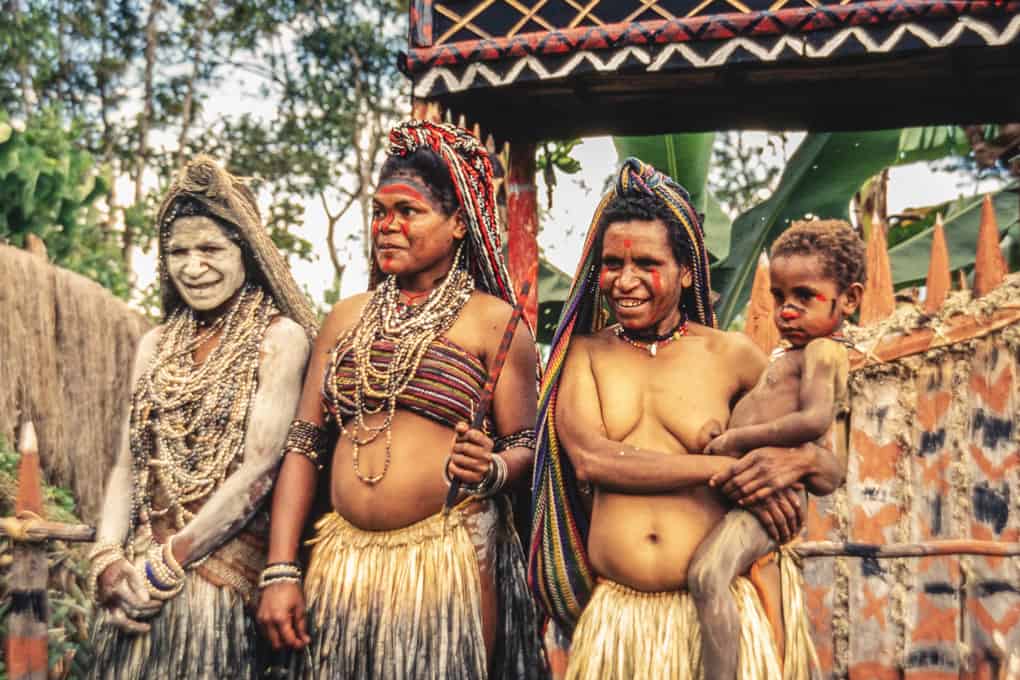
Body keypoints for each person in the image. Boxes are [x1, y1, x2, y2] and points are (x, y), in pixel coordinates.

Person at [529, 159, 843, 680]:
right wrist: (721, 469)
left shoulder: (733, 355)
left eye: (646, 264)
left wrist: (787, 467)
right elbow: (592, 460)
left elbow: (820, 465)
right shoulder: (582, 354)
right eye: (611, 264)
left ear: (686, 270)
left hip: (716, 619)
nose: (625, 281)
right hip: (618, 624)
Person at [257, 120, 547, 680]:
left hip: (442, 561)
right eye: (379, 211)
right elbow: (304, 443)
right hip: (343, 565)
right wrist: (281, 568)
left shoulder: (494, 324)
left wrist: (491, 468)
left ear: (459, 224)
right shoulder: (346, 317)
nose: (387, 226)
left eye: (408, 211)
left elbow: (527, 446)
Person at [87, 156, 317, 679]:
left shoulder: (279, 339)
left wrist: (167, 561)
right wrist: (106, 558)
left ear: (247, 252)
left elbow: (260, 471)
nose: (193, 267)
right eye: (178, 252)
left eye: (210, 249)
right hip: (140, 576)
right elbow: (128, 466)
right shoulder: (155, 345)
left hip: (220, 585)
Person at [691, 219, 865, 680]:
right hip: (744, 494)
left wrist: (736, 439)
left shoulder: (825, 353)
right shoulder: (782, 356)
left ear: (848, 299)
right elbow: (757, 411)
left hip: (767, 505)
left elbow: (814, 420)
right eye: (780, 297)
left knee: (708, 577)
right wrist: (719, 427)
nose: (787, 310)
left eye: (804, 297)